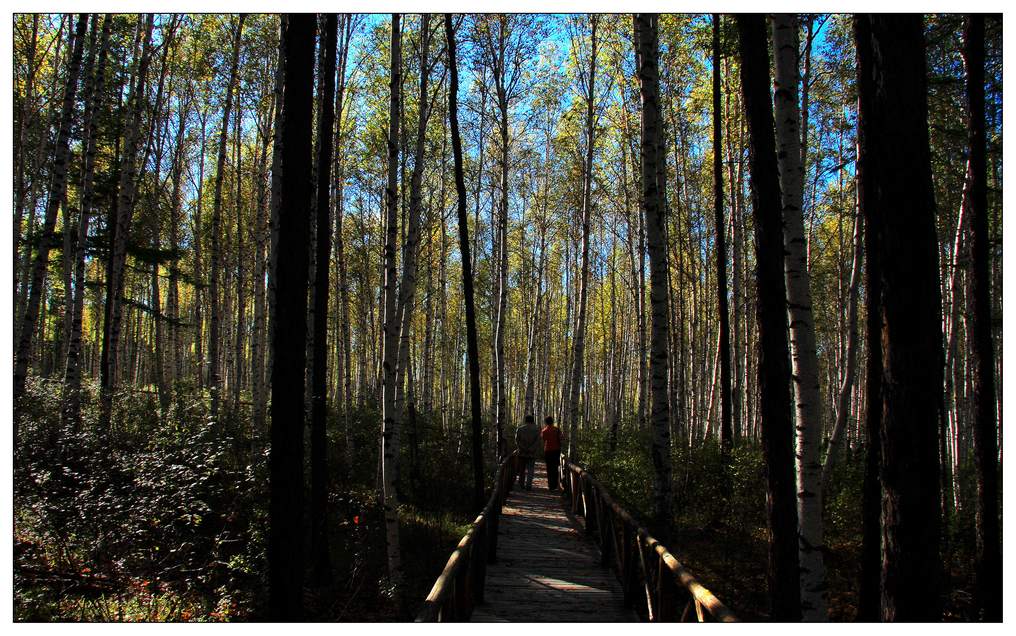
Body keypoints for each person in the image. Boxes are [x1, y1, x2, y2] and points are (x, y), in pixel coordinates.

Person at [514, 414, 541, 490]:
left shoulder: (520, 429)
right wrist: (531, 449)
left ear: (525, 420)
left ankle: (521, 485)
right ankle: (528, 485)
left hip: (522, 453)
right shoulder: (536, 429)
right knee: (530, 470)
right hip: (531, 453)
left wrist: (522, 448)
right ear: (533, 420)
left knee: (522, 470)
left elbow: (517, 440)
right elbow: (538, 441)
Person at [541, 416, 563, 491]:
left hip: (548, 451)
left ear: (546, 422)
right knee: (555, 467)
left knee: (549, 468)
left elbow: (543, 440)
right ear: (552, 421)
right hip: (556, 450)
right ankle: (555, 485)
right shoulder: (557, 430)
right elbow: (561, 438)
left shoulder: (544, 431)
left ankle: (551, 486)